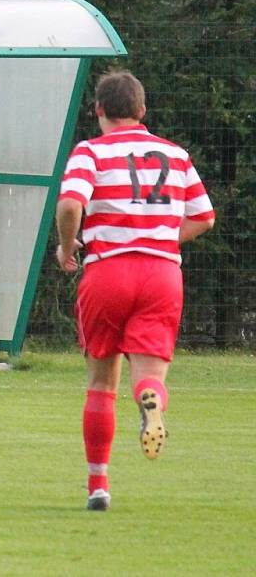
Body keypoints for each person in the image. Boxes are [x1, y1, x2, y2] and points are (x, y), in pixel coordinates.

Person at [55, 70, 215, 511]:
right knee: (149, 375)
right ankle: (151, 402)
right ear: (142, 111)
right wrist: (159, 237)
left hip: (108, 271)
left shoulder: (90, 152)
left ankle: (98, 487)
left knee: (101, 384)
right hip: (162, 275)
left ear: (99, 110)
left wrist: (68, 248)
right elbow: (204, 218)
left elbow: (71, 203)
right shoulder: (175, 154)